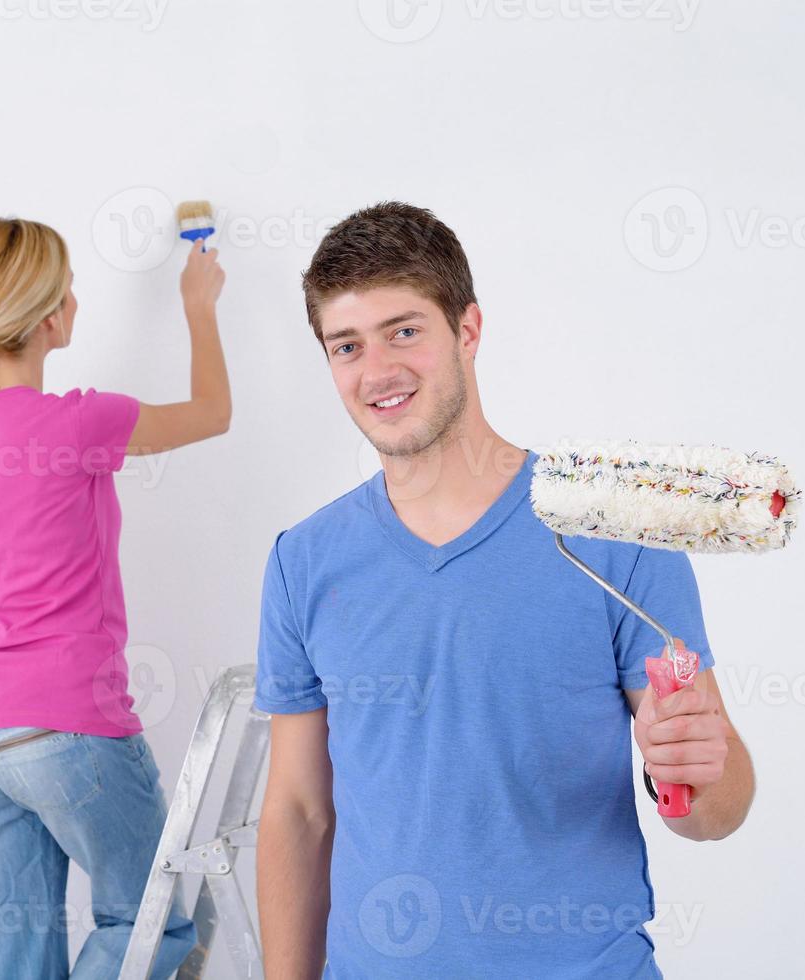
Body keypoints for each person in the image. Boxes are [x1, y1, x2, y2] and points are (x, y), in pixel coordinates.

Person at [253, 201, 754, 978]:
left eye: (404, 330)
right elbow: (297, 810)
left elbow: (716, 813)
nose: (377, 370)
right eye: (346, 345)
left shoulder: (610, 532)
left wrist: (692, 769)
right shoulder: (303, 561)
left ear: (468, 330)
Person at [0, 217, 228, 978]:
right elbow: (213, 414)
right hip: (70, 725)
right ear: (52, 313)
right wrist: (197, 306)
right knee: (152, 925)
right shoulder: (79, 421)